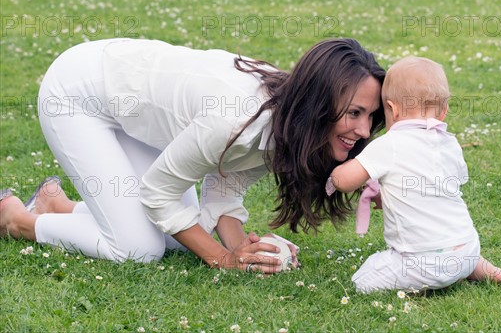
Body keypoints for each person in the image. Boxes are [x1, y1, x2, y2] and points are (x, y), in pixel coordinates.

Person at [0, 37, 385, 274]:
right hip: (77, 92)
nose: (364, 131)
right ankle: (18, 220)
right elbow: (158, 194)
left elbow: (224, 186)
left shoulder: (288, 123)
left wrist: (241, 250)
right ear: (317, 103)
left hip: (134, 113)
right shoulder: (238, 119)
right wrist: (221, 257)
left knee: (172, 237)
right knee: (138, 249)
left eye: (370, 116)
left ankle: (57, 206)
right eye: (354, 113)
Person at [327, 56, 501, 293]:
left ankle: (435, 275)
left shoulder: (390, 144)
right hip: (466, 248)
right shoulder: (450, 143)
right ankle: (478, 267)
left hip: (420, 263)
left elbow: (345, 182)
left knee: (363, 279)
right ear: (444, 112)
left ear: (393, 110)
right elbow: (437, 188)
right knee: (459, 247)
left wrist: (335, 173)